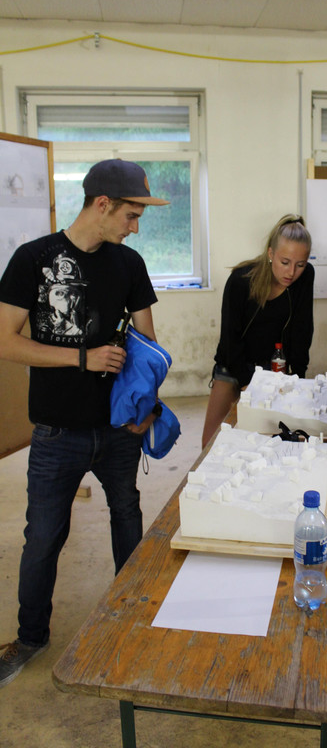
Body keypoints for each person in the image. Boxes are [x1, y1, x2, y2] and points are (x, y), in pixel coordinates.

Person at [0, 159, 169, 688]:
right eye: (131, 215)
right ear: (102, 204)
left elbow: (148, 344)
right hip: (56, 432)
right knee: (43, 537)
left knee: (128, 518)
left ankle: (129, 618)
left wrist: (147, 405)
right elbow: (4, 341)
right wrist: (82, 358)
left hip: (118, 429)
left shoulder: (129, 264)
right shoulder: (33, 259)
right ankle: (30, 637)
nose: (135, 227)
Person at [201, 214, 314, 448]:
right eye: (285, 262)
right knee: (212, 444)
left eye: (300, 265)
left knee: (266, 442)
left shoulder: (305, 278)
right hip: (233, 366)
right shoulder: (241, 280)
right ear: (270, 253)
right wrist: (247, 385)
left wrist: (298, 378)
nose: (291, 272)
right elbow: (230, 339)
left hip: (274, 368)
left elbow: (302, 329)